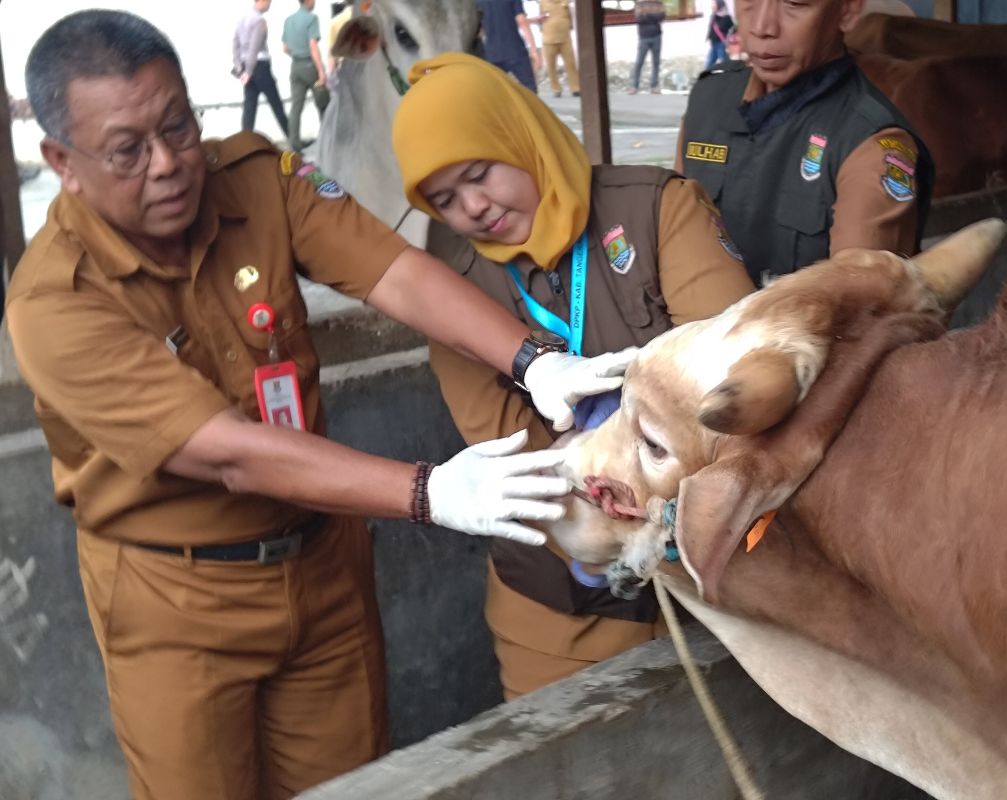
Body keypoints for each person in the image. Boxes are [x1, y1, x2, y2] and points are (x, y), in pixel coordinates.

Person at [8, 12, 634, 799]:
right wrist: (431, 490)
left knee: (353, 785)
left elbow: (392, 272)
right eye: (129, 150)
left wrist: (533, 360)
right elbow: (229, 452)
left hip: (323, 564)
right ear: (61, 161)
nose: (170, 164)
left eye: (180, 126)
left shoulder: (253, 178)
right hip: (179, 604)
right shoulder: (55, 301)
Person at [392, 53, 755, 698]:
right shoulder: (446, 280)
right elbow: (515, 453)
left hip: (716, 592)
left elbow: (729, 381)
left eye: (480, 174)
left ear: (522, 135)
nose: (474, 208)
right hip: (557, 618)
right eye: (445, 199)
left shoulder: (653, 208)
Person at [676, 0, 934, 286]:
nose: (762, 27)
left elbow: (853, 313)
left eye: (795, 4)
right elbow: (671, 240)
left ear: (847, 12)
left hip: (790, 330)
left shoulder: (870, 145)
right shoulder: (708, 100)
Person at [233, 0, 290, 139]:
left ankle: (244, 143)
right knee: (276, 104)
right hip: (259, 67)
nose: (270, 4)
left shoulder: (242, 19)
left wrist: (239, 66)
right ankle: (293, 140)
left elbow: (235, 43)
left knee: (249, 108)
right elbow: (255, 47)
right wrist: (249, 71)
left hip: (246, 65)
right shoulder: (259, 21)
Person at [282, 0, 330, 150]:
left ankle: (294, 144)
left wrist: (297, 54)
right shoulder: (312, 19)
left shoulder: (289, 20)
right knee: (324, 105)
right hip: (310, 66)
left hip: (295, 66)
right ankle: (327, 141)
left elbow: (285, 48)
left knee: (296, 107)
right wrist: (321, 71)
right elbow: (313, 46)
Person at [477, 0, 543, 93]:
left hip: (492, 53)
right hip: (515, 50)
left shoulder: (478, 1)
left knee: (496, 92)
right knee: (530, 90)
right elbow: (521, 21)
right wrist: (534, 50)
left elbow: (480, 30)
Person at [538, 0, 581, 98]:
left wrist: (569, 27)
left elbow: (570, 17)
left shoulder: (565, 2)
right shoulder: (543, 3)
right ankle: (556, 88)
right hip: (549, 39)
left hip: (565, 38)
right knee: (551, 66)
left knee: (571, 64)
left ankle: (576, 88)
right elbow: (540, 19)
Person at [629, 0, 666, 94]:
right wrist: (653, 16)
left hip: (656, 36)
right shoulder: (640, 4)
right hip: (644, 37)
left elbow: (661, 16)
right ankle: (634, 86)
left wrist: (647, 15)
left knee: (656, 62)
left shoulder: (657, 3)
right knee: (639, 62)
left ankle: (654, 86)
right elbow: (639, 18)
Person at [704, 0, 735, 70]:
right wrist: (709, 38)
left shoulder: (726, 17)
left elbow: (732, 29)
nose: (712, 6)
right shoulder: (713, 16)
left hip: (721, 44)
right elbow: (711, 28)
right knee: (708, 64)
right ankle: (706, 78)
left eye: (714, 4)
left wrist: (729, 39)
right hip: (713, 43)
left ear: (719, 5)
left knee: (725, 64)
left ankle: (730, 76)